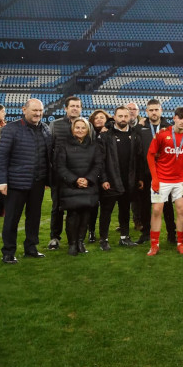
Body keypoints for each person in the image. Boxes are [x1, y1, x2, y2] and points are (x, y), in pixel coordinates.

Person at [0, 99, 51, 264]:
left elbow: (47, 157)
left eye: (40, 110)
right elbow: (2, 157)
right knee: (12, 218)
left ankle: (31, 248)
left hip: (38, 182)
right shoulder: (11, 129)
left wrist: (48, 178)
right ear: (24, 109)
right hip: (15, 183)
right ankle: (8, 252)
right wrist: (1, 181)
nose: (38, 114)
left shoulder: (46, 129)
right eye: (34, 110)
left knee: (34, 217)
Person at [146, 106, 183, 256]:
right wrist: (155, 179)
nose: (182, 122)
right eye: (179, 118)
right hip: (161, 179)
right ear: (174, 118)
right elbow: (150, 155)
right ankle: (154, 245)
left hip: (180, 181)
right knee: (156, 210)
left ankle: (180, 243)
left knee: (181, 209)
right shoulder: (162, 134)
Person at [97, 106, 144, 250]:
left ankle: (125, 237)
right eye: (120, 116)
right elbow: (100, 160)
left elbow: (139, 158)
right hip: (110, 181)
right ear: (114, 117)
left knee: (125, 210)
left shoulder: (135, 135)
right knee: (106, 211)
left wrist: (139, 178)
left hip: (128, 181)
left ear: (130, 117)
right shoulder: (105, 135)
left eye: (126, 116)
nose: (123, 119)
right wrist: (103, 179)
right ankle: (103, 240)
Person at [55, 118, 103, 256]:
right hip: (70, 186)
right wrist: (75, 180)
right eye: (77, 127)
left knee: (86, 215)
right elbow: (60, 166)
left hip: (89, 185)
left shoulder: (94, 146)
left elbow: (98, 165)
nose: (80, 130)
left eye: (83, 128)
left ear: (88, 130)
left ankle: (80, 242)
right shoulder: (63, 145)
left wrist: (88, 179)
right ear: (72, 129)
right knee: (72, 215)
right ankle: (72, 243)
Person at [47, 96, 86, 250]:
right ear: (66, 109)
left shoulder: (85, 125)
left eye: (77, 106)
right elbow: (49, 150)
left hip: (79, 175)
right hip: (59, 175)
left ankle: (77, 239)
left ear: (81, 109)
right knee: (57, 207)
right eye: (72, 106)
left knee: (78, 207)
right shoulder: (55, 125)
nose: (75, 108)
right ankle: (55, 237)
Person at [133, 99, 174, 245]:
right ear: (146, 112)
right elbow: (137, 154)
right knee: (145, 205)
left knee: (167, 205)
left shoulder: (169, 128)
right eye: (151, 110)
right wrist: (139, 176)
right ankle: (146, 233)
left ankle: (171, 234)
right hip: (146, 173)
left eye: (156, 109)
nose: (154, 112)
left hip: (164, 173)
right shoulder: (140, 129)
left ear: (161, 111)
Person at [85, 108, 111, 241]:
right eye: (96, 118)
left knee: (105, 205)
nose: (99, 119)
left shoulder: (110, 133)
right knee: (93, 205)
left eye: (102, 117)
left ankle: (103, 233)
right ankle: (91, 231)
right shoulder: (88, 134)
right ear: (92, 121)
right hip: (93, 173)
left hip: (106, 173)